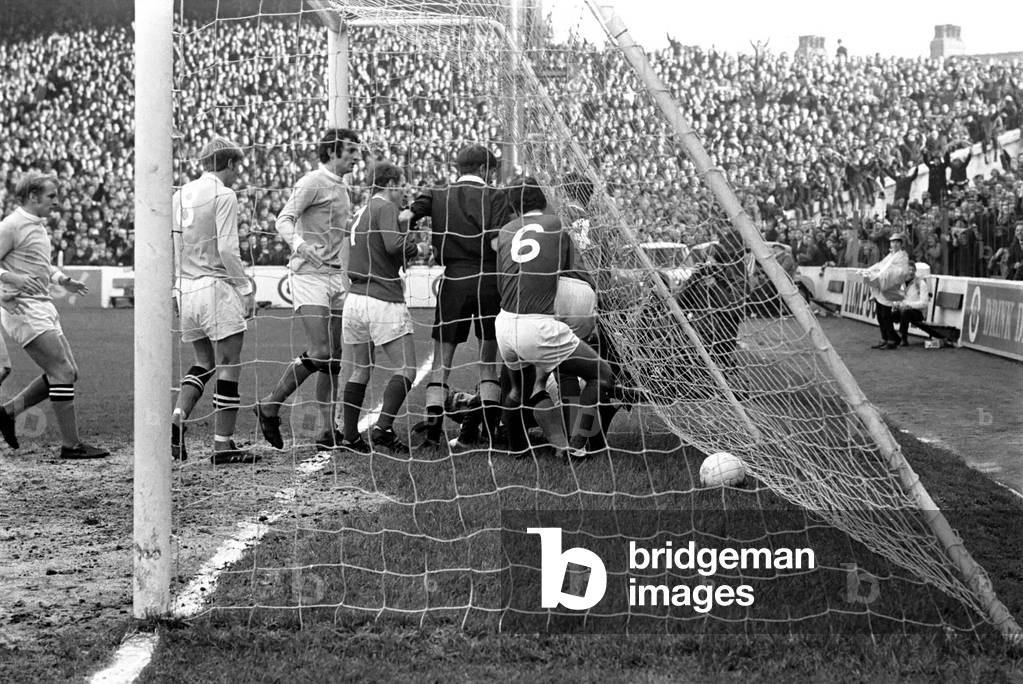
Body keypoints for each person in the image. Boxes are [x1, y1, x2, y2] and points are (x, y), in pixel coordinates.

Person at [255, 128, 362, 451]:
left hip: (334, 278)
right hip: (310, 276)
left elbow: (342, 235)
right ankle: (271, 404)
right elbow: (283, 220)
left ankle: (326, 430)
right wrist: (301, 246)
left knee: (334, 359)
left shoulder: (343, 187)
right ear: (331, 153)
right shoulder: (312, 181)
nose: (357, 157)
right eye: (351, 151)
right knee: (320, 352)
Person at [494, 176, 612, 461]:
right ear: (545, 199)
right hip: (559, 309)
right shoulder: (561, 223)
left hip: (506, 322)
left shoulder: (507, 231)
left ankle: (517, 446)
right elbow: (572, 268)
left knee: (521, 387)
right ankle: (578, 443)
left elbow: (502, 279)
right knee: (600, 374)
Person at [403, 144, 510, 451]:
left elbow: (405, 216)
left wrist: (409, 248)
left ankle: (433, 436)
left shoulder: (437, 195)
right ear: (484, 170)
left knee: (441, 363)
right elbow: (494, 244)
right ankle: (490, 435)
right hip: (489, 280)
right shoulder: (497, 196)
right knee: (488, 363)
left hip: (454, 279)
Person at [0, 172, 108, 459]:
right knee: (61, 372)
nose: (57, 202)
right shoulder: (11, 225)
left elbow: (40, 265)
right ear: (33, 196)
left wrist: (62, 280)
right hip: (23, 308)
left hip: (43, 304)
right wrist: (12, 278)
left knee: (69, 372)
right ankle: (71, 446)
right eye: (51, 196)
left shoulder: (36, 225)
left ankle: (8, 412)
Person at [171, 137, 256, 464]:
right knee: (230, 363)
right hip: (215, 287)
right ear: (230, 164)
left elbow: (174, 246)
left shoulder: (180, 194)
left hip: (187, 288)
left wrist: (174, 290)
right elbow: (226, 249)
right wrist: (245, 287)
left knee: (203, 362)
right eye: (237, 167)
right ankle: (223, 445)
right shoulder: (224, 194)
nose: (237, 175)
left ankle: (177, 418)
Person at [339, 161, 422, 454]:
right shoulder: (384, 206)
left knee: (360, 369)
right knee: (407, 369)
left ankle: (350, 437)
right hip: (381, 298)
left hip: (355, 299)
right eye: (401, 185)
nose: (404, 192)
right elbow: (390, 246)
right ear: (389, 184)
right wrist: (418, 248)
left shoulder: (361, 211)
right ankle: (384, 429)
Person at [859, 232, 911, 350]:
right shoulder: (890, 255)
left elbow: (901, 272)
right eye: (893, 242)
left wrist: (883, 273)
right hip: (882, 285)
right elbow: (880, 265)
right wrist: (869, 270)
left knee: (885, 315)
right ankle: (887, 338)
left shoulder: (902, 256)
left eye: (897, 242)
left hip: (890, 287)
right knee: (880, 315)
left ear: (901, 244)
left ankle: (891, 340)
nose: (895, 244)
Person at [892, 262, 930, 346]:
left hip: (918, 313)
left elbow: (924, 303)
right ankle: (892, 337)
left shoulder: (921, 283)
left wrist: (908, 305)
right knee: (889, 315)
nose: (911, 272)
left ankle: (903, 338)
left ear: (915, 271)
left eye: (913, 270)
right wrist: (896, 303)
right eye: (909, 269)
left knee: (906, 312)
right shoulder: (901, 283)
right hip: (903, 309)